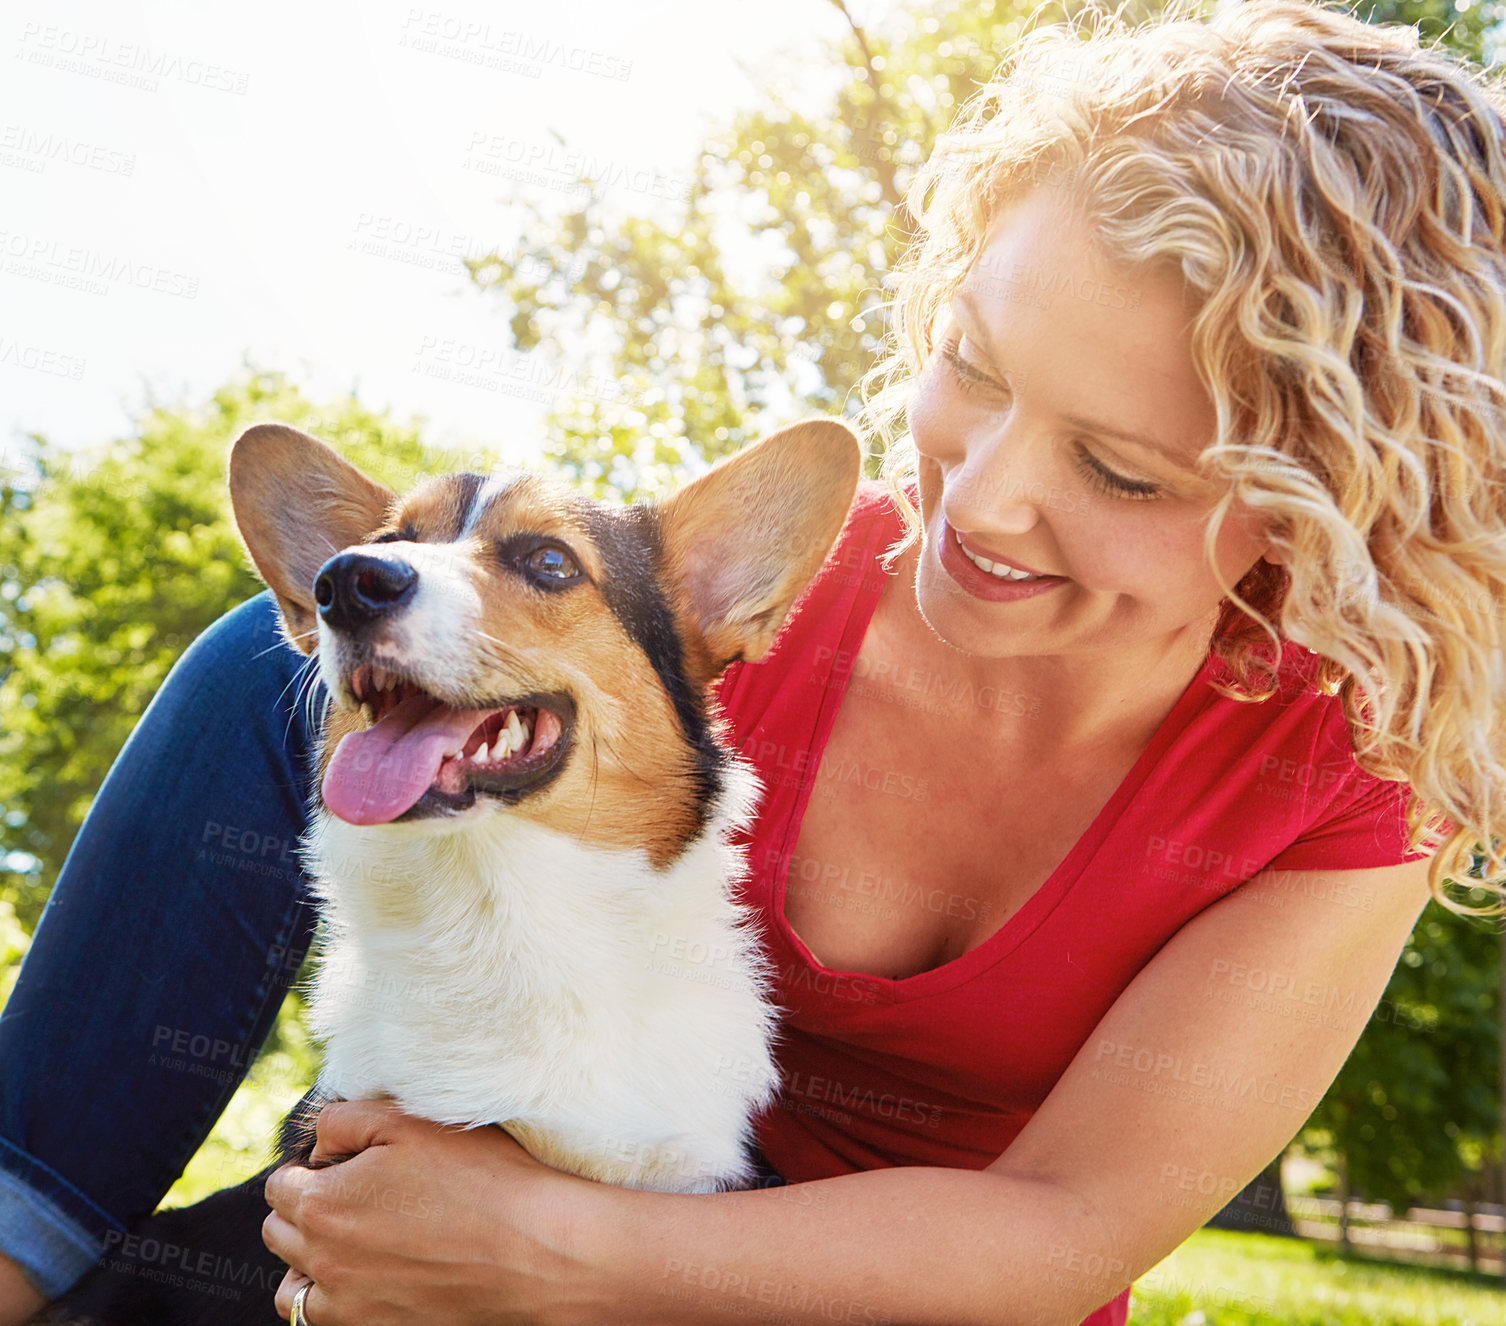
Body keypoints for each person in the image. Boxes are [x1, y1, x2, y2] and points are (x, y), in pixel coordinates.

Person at [3, 1, 1503, 1322]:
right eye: (972, 366)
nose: (973, 501)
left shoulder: (1342, 778)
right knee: (264, 674)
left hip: (876, 1290)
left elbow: (1060, 1227)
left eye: (1118, 471)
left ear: (1328, 511)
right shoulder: (739, 598)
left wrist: (554, 1248)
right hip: (557, 1145)